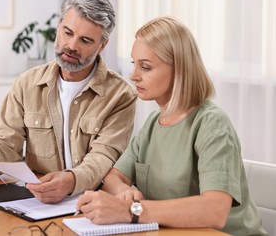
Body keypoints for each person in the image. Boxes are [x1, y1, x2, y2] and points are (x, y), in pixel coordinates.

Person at [76, 16, 268, 235]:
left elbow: (215, 210)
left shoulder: (212, 125)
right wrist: (123, 192)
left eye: (145, 67)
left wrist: (131, 209)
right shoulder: (152, 125)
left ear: (180, 70)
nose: (133, 75)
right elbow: (113, 177)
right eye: (134, 64)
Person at [0, 0, 137, 204]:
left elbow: (103, 158)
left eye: (85, 40)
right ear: (59, 26)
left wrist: (71, 181)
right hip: (37, 202)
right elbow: (6, 152)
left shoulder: (120, 95)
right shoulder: (26, 84)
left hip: (94, 205)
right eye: (67, 32)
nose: (72, 45)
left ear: (102, 45)